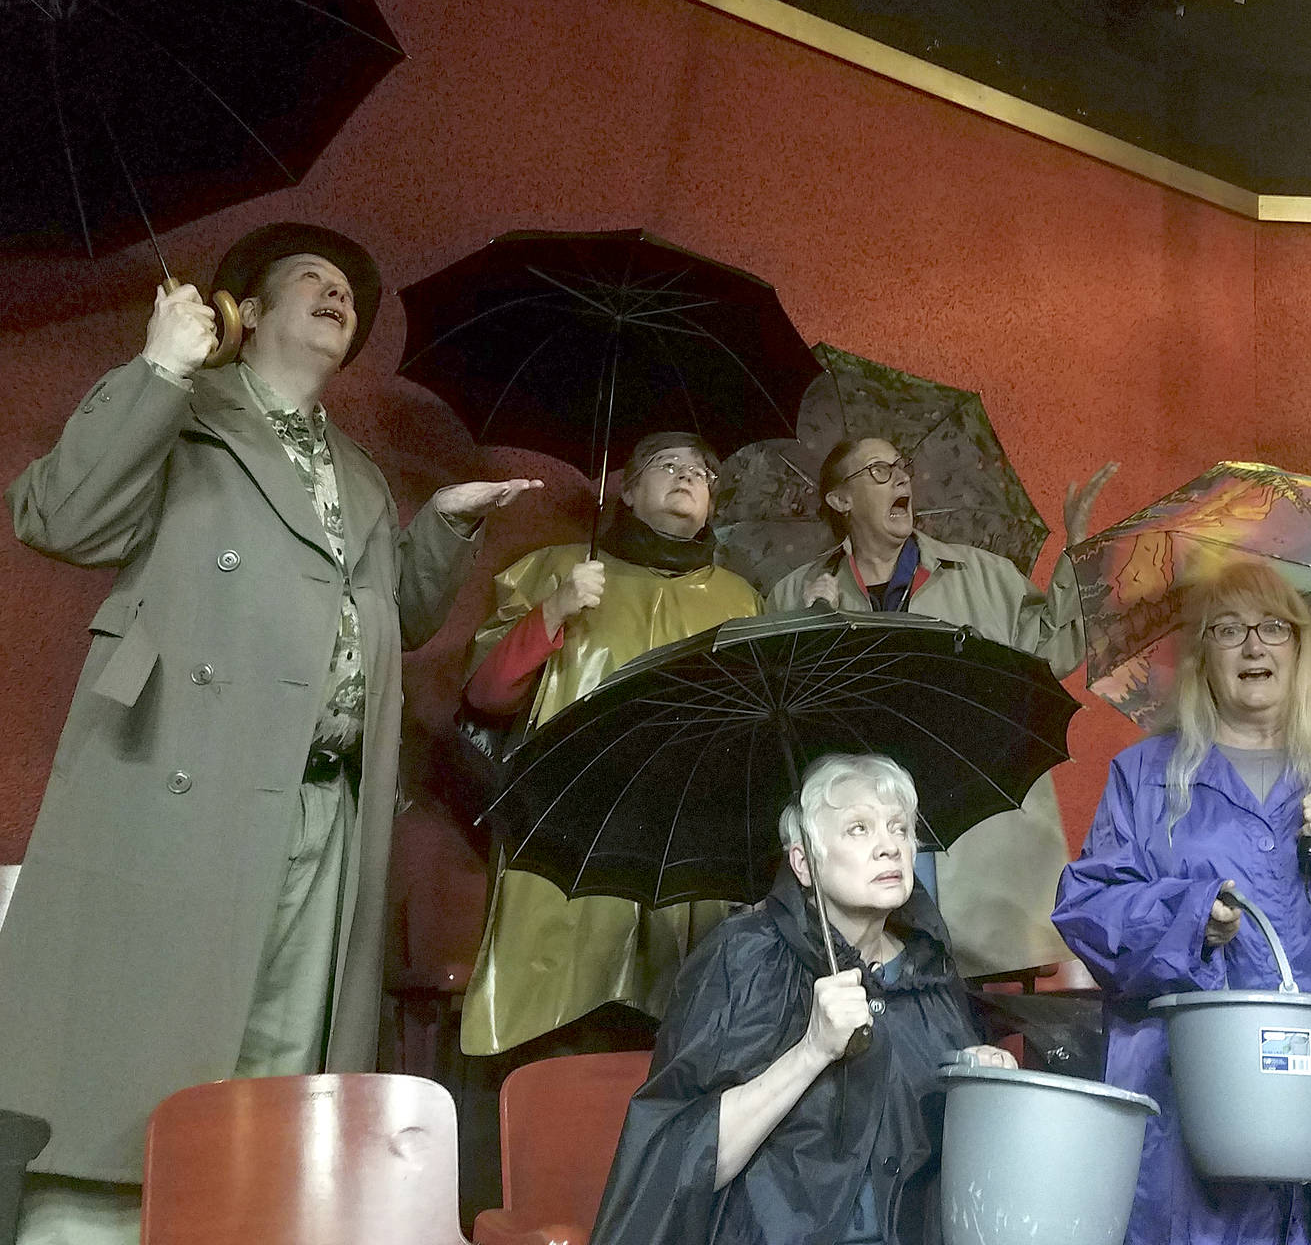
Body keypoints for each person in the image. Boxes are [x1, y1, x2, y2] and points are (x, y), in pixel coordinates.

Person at [0, 223, 538, 1245]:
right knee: (144, 1044)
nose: (336, 297)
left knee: (279, 1049)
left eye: (349, 294)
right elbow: (59, 518)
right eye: (310, 282)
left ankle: (233, 1221)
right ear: (247, 310)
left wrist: (444, 522)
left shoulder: (360, 477)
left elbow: (394, 620)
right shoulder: (183, 410)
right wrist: (157, 366)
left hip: (324, 798)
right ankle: (86, 1225)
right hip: (188, 777)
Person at [1052, 558, 1311, 1245]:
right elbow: (1088, 907)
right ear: (1202, 657)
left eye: (1275, 627)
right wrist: (1188, 919)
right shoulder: (1146, 775)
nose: (1254, 645)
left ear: (1303, 649)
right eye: (1228, 629)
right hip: (1184, 1078)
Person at [590, 753, 1015, 1245]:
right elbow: (683, 1162)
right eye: (858, 829)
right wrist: (813, 1050)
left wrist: (978, 1082)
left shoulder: (927, 968)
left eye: (899, 828)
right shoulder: (745, 957)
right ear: (803, 863)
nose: (890, 848)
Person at [459, 431, 762, 1057]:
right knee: (559, 1039)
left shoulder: (743, 601)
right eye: (666, 466)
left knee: (680, 1036)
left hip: (692, 841)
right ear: (624, 488)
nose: (687, 478)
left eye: (701, 473)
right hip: (569, 835)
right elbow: (486, 696)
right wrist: (555, 610)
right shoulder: (555, 568)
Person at [764, 436, 1114, 978]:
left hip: (975, 833)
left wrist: (1079, 552)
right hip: (869, 827)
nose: (901, 478)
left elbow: (1053, 652)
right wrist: (815, 618)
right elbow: (781, 711)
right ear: (841, 501)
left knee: (984, 999)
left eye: (901, 467)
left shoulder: (984, 577)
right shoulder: (796, 593)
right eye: (879, 471)